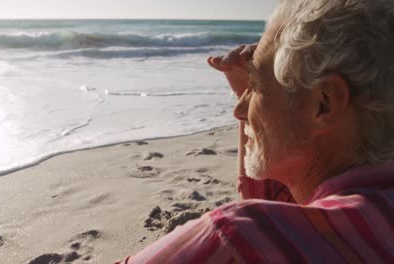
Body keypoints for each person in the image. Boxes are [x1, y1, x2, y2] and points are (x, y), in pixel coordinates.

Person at [116, 0, 394, 262]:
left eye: (257, 87)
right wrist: (260, 93)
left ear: (324, 102)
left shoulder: (236, 238)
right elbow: (290, 224)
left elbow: (261, 234)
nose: (238, 110)